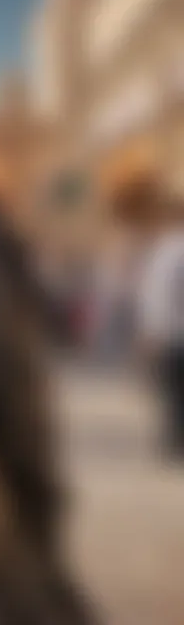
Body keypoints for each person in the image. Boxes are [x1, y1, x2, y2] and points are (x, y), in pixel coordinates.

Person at [137, 194, 184, 460]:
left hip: (173, 334)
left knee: (173, 392)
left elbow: (158, 295)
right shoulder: (169, 250)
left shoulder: (168, 251)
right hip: (175, 333)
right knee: (175, 392)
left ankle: (174, 442)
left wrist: (152, 332)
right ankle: (174, 441)